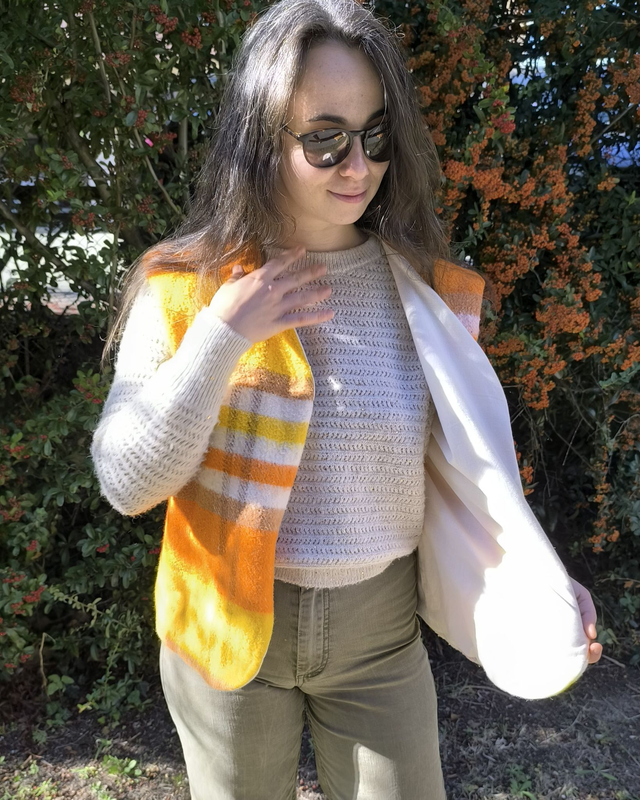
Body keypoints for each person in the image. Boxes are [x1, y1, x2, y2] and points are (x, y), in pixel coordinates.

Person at [91, 1, 602, 797]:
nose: (357, 166)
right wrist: (223, 335)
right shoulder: (187, 290)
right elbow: (127, 482)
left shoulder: (430, 296)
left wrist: (538, 576)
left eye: (375, 136)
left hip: (380, 639)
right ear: (261, 136)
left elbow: (469, 477)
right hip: (226, 631)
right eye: (325, 139)